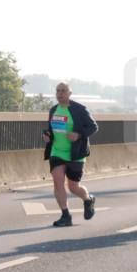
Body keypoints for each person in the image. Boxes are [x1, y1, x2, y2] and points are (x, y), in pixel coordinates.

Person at [42, 82, 98, 228]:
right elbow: (51, 129)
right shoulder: (54, 110)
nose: (60, 93)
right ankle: (65, 215)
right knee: (57, 180)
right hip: (57, 151)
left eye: (63, 91)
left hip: (75, 153)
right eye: (58, 91)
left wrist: (79, 135)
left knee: (73, 187)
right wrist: (48, 136)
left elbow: (93, 127)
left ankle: (87, 199)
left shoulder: (80, 109)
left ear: (69, 93)